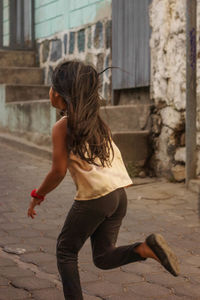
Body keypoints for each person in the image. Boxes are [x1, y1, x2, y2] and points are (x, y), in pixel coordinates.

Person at [27, 60, 180, 300]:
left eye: (51, 87)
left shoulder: (62, 127)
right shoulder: (96, 123)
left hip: (95, 199)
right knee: (102, 257)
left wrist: (38, 195)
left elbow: (58, 171)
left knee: (65, 251)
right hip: (118, 196)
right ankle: (145, 248)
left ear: (58, 93)